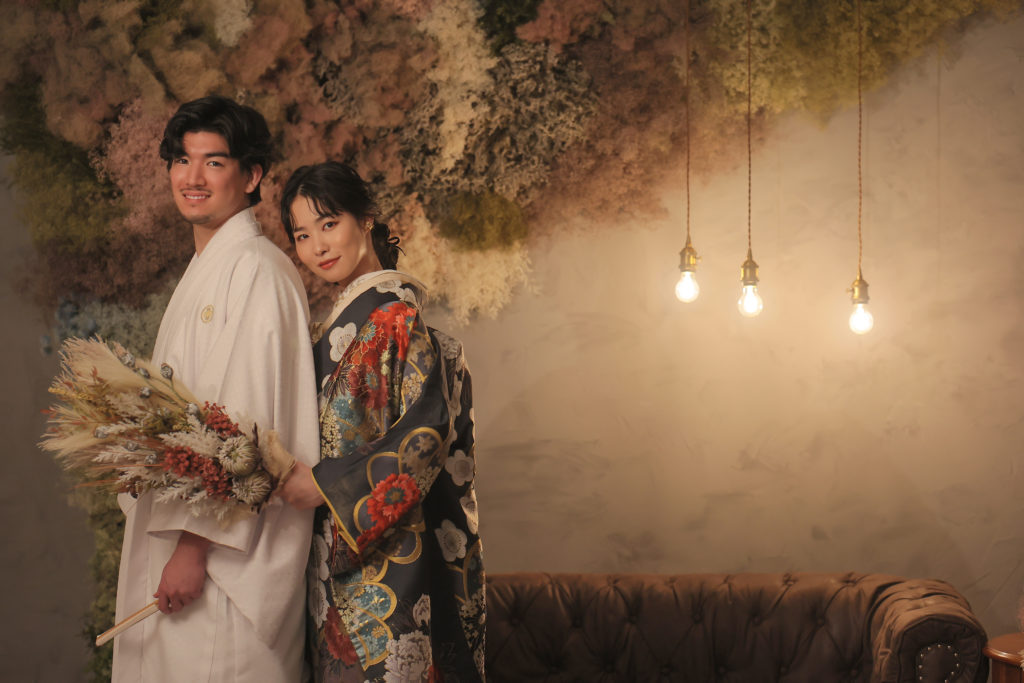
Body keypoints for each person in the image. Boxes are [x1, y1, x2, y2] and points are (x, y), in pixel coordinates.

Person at [112, 96, 320, 682]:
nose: (192, 178)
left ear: (251, 176)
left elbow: (246, 420)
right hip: (184, 531)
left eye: (214, 162)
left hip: (221, 557)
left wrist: (194, 548)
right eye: (182, 160)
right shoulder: (212, 266)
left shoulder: (256, 269)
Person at [274, 162, 486, 682]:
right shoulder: (342, 324)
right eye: (302, 235)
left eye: (329, 223)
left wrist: (325, 486)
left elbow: (425, 435)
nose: (318, 246)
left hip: (390, 563)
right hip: (335, 560)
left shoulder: (393, 316)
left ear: (365, 218)